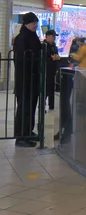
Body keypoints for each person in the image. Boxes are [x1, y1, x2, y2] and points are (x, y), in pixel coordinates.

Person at [13, 13, 42, 147]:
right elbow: (21, 60)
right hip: (25, 79)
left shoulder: (33, 36)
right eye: (32, 23)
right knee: (24, 106)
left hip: (33, 79)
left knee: (31, 106)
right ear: (26, 24)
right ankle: (21, 136)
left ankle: (28, 131)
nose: (35, 25)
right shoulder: (22, 38)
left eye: (36, 22)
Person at [43, 30, 61, 112]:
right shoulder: (44, 46)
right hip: (46, 70)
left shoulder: (54, 46)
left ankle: (51, 105)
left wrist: (55, 58)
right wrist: (52, 58)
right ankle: (42, 106)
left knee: (51, 88)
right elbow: (46, 58)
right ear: (48, 36)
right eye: (53, 36)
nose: (54, 38)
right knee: (45, 89)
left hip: (53, 70)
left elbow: (56, 57)